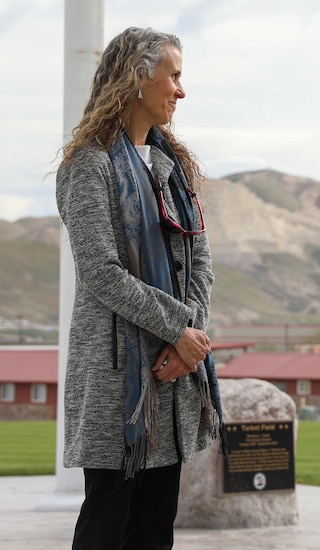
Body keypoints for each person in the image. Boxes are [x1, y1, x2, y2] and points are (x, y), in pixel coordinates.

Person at [56, 27, 225, 549]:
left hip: (172, 380)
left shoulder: (172, 169)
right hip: (118, 387)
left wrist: (187, 342)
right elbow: (102, 274)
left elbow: (200, 263)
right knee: (106, 525)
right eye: (173, 75)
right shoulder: (89, 166)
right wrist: (178, 329)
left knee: (155, 529)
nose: (180, 90)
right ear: (137, 77)